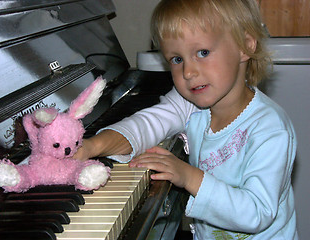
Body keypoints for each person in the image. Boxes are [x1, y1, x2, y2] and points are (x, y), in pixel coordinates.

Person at [75, 0, 298, 239]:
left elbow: (257, 213)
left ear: (245, 46)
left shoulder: (269, 129)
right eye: (177, 59)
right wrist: (90, 146)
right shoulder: (190, 102)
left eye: (202, 53)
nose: (188, 72)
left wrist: (188, 176)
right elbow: (146, 124)